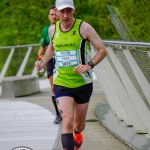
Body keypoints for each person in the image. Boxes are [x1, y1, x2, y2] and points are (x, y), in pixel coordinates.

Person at [37, 0, 107, 149]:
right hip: (62, 82)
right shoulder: (52, 30)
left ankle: (78, 132)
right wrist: (43, 62)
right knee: (67, 121)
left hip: (83, 83)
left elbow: (102, 50)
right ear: (56, 11)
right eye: (62, 11)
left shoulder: (84, 28)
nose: (65, 15)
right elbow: (51, 47)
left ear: (73, 10)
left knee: (78, 125)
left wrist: (89, 65)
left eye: (69, 11)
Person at [37, 6, 61, 124]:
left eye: (56, 14)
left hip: (62, 58)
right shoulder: (45, 30)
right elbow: (42, 47)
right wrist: (40, 57)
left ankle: (66, 110)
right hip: (51, 60)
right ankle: (58, 114)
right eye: (52, 14)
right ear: (48, 16)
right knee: (53, 86)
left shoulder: (64, 27)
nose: (54, 16)